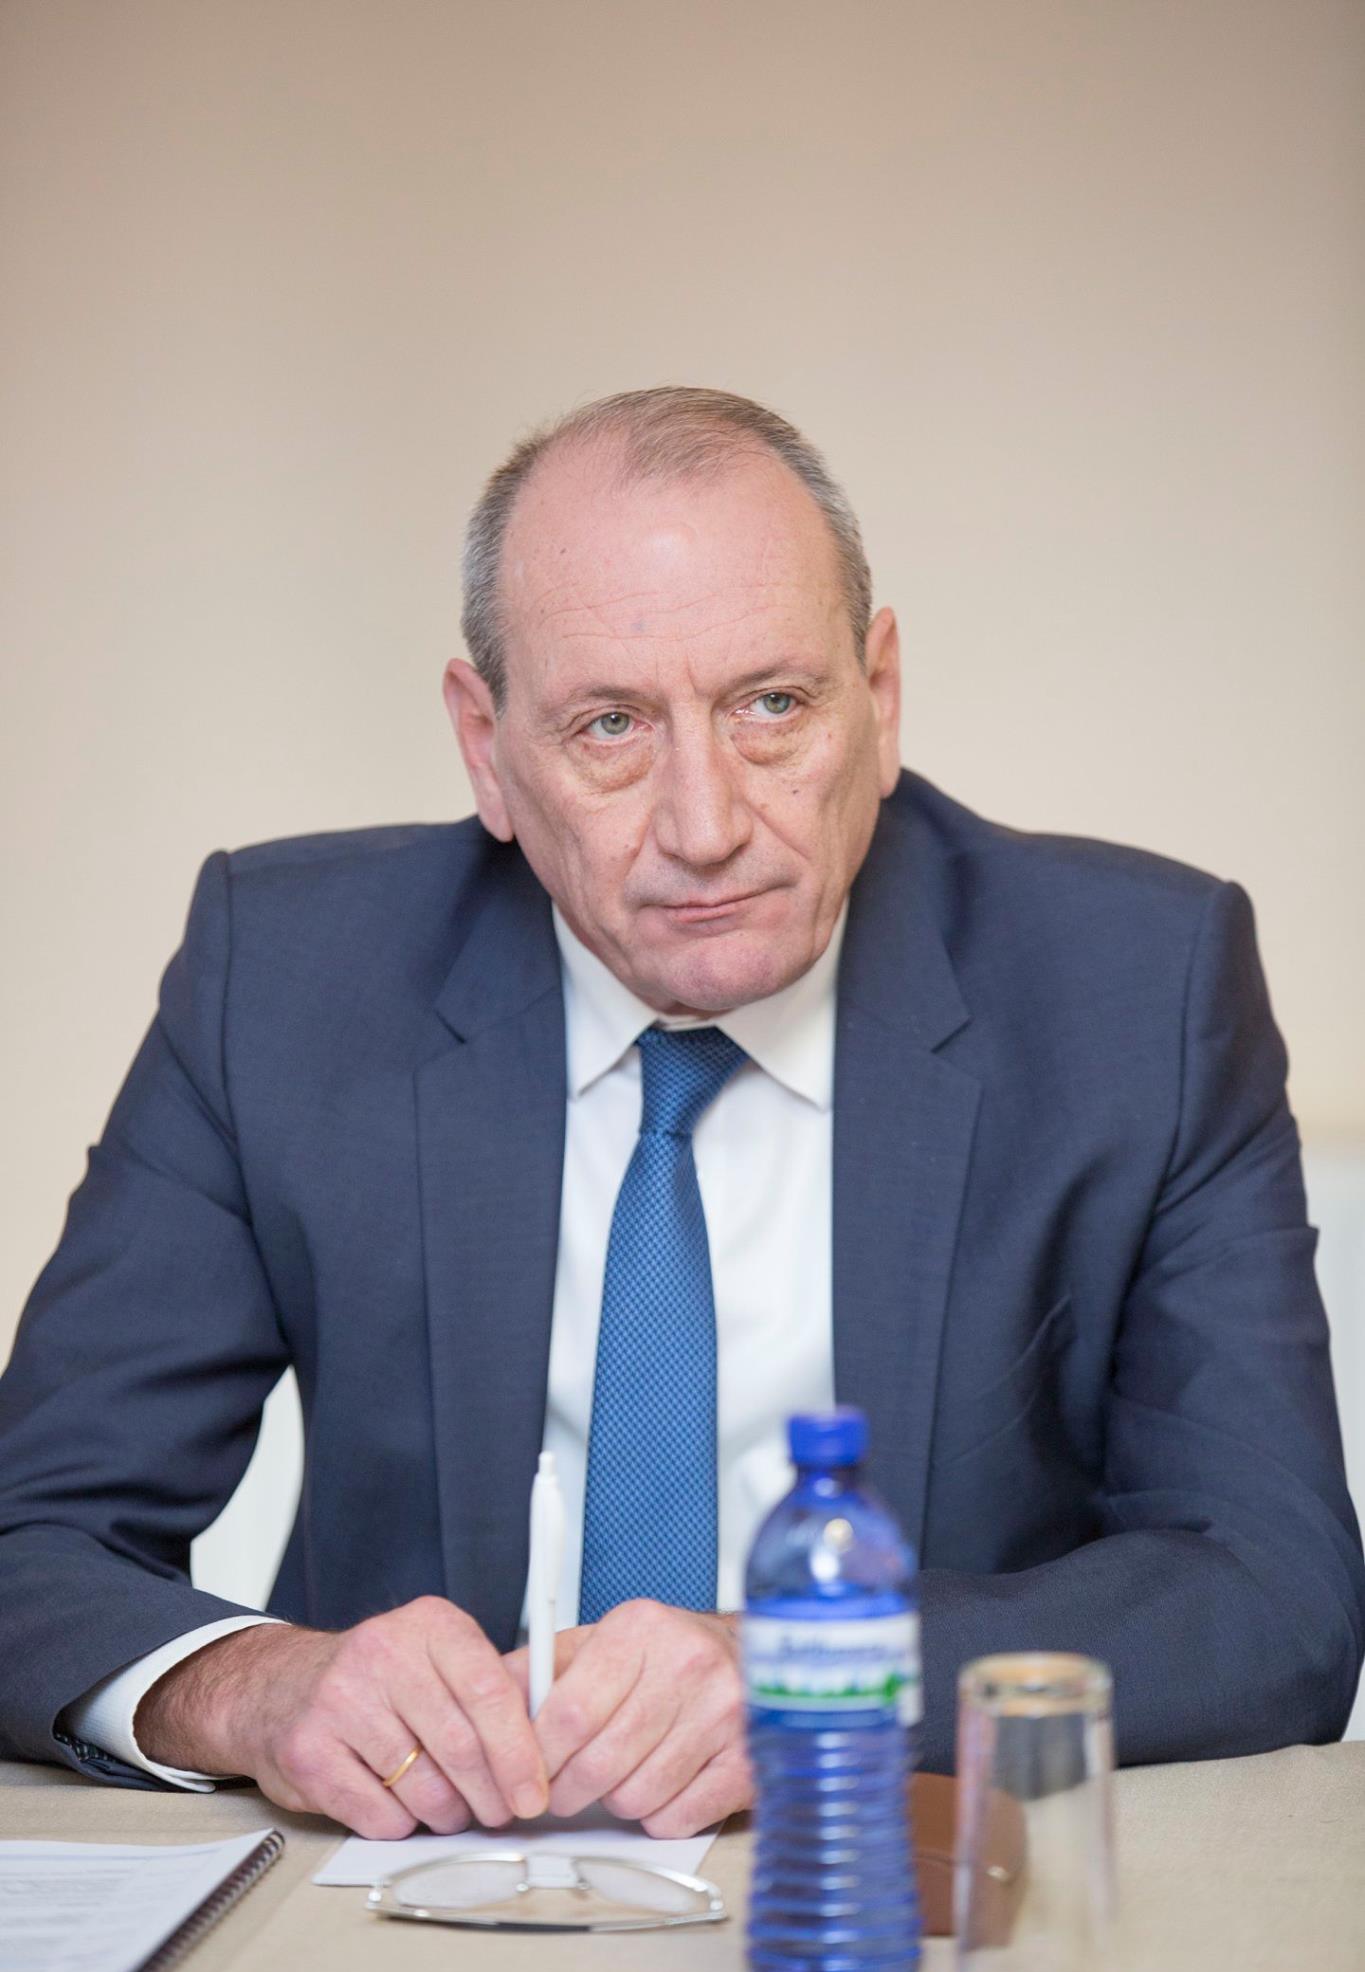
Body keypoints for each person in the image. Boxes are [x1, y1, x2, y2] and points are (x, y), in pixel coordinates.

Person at [1, 388, 1361, 1844]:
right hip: (400, 1881)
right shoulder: (285, 977)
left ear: (879, 697)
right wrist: (255, 1689)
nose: (705, 825)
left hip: (888, 1874)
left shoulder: (1134, 988)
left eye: (772, 706)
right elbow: (34, 1539)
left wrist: (814, 1679)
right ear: (485, 747)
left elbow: (1271, 1592)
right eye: (610, 725)